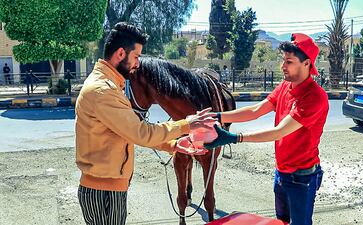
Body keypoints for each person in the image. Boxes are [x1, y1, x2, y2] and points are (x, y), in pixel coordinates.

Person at [75, 22, 215, 225]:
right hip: (103, 190)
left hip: (108, 188)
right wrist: (186, 124)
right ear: (121, 53)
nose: (137, 64)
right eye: (136, 56)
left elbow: (128, 132)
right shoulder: (102, 91)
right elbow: (140, 132)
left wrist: (174, 145)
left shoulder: (110, 86)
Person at [205, 33, 328, 225]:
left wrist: (234, 137)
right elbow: (256, 110)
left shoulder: (315, 97)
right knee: (281, 222)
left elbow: (279, 131)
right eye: (283, 60)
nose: (282, 66)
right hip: (281, 172)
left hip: (302, 177)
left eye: (289, 61)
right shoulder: (285, 86)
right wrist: (218, 116)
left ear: (306, 64)